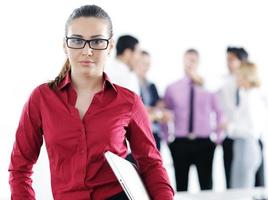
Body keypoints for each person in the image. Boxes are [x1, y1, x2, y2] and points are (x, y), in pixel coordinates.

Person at [8, 5, 174, 200]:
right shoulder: (41, 98)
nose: (87, 51)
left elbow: (151, 164)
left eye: (97, 41)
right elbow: (20, 167)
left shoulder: (128, 102)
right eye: (77, 40)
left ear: (110, 46)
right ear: (65, 45)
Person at [163, 49, 223, 191]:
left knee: (207, 187)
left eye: (194, 60)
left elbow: (219, 113)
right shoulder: (172, 88)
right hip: (180, 144)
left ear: (198, 63)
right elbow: (164, 114)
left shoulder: (208, 88)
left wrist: (218, 140)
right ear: (183, 61)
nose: (190, 63)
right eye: (188, 60)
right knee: (181, 186)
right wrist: (167, 140)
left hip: (204, 144)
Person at [228, 62, 268, 188]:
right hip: (242, 145)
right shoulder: (244, 94)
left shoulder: (255, 95)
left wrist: (230, 128)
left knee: (242, 190)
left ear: (246, 76)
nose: (236, 78)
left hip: (247, 145)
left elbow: (252, 127)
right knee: (239, 187)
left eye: (238, 75)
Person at [218, 47, 251, 188]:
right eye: (227, 60)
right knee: (232, 186)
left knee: (255, 185)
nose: (227, 63)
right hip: (230, 140)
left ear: (242, 62)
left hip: (249, 141)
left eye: (231, 60)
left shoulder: (252, 87)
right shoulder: (224, 82)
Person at [135, 50, 163, 150]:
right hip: (137, 135)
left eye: (148, 64)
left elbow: (159, 107)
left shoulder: (152, 86)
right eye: (143, 63)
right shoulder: (129, 83)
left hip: (153, 134)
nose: (146, 67)